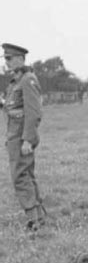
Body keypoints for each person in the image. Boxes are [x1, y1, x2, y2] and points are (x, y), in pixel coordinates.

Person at [1, 43, 45, 230]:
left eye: (9, 58)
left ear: (20, 58)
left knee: (20, 176)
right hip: (14, 135)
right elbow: (13, 108)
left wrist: (27, 139)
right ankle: (38, 216)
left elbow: (33, 112)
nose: (6, 62)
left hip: (21, 137)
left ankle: (33, 219)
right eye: (5, 58)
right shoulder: (15, 82)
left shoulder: (28, 80)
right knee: (25, 174)